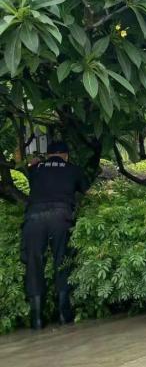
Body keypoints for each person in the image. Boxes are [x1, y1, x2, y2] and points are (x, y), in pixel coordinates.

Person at [22, 141, 89, 329]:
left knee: (34, 262)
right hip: (61, 215)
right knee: (63, 260)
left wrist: (35, 163)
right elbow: (86, 191)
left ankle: (37, 319)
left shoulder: (36, 168)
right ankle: (64, 313)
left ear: (48, 155)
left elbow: (34, 177)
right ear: (66, 155)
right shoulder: (73, 169)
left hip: (34, 217)